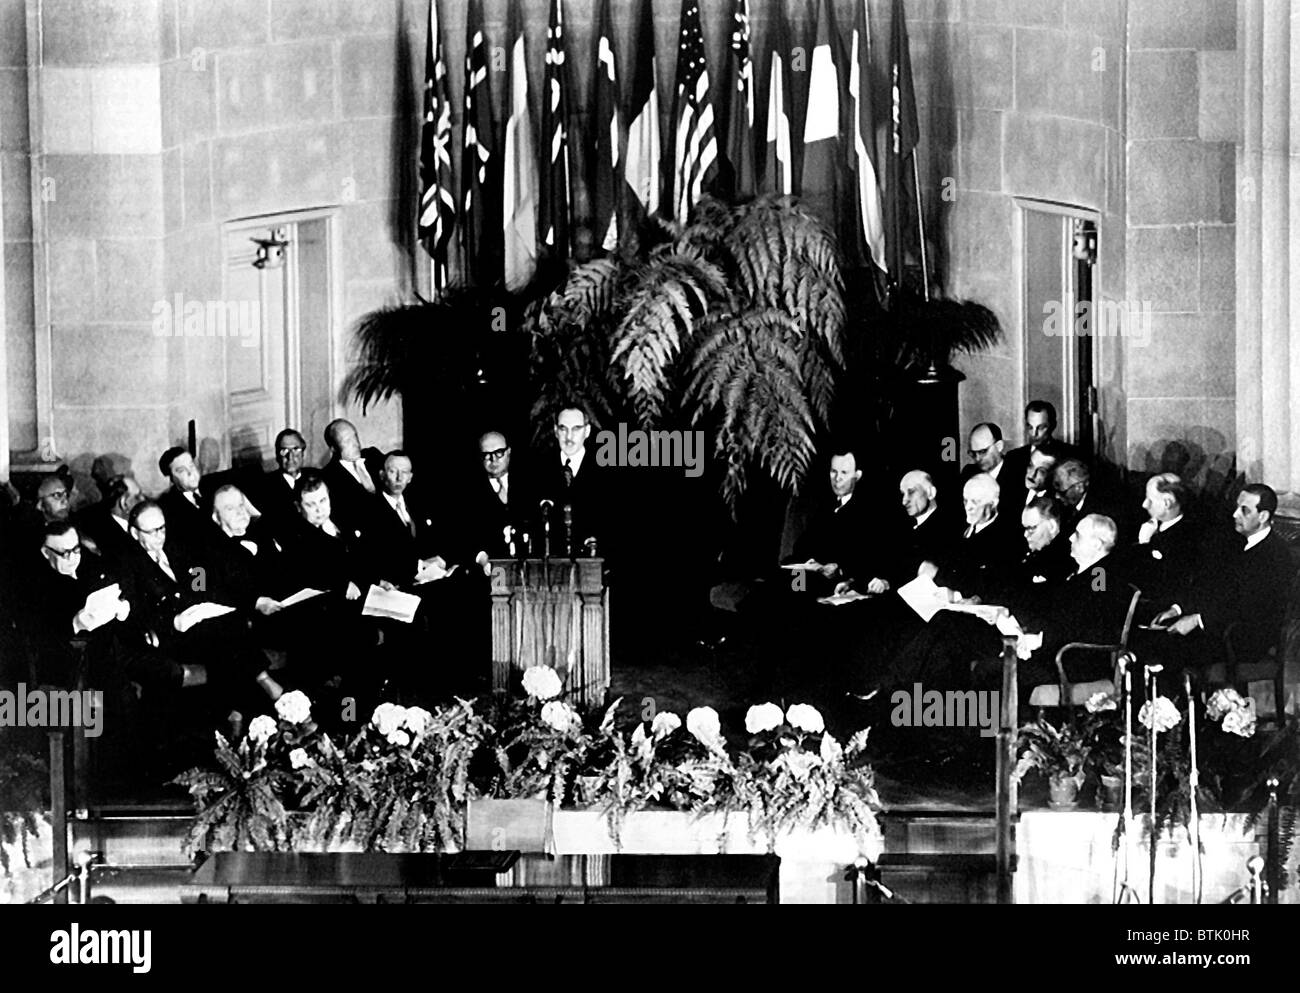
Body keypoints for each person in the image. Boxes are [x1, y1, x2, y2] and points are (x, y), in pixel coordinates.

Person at [1140, 484, 1293, 673]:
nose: (1235, 514)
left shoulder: (1276, 555)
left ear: (1263, 517)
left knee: (1167, 649)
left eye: (1244, 510)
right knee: (1150, 637)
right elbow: (1210, 586)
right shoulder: (1235, 542)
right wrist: (1177, 609)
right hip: (1220, 626)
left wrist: (1197, 620)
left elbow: (1248, 606)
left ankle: (1178, 701)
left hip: (1245, 637)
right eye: (1237, 507)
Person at [539, 405, 609, 555]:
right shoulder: (539, 470)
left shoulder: (606, 470)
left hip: (595, 566)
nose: (569, 437)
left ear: (587, 431)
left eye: (576, 429)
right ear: (556, 431)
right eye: (563, 429)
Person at [321, 419, 385, 534]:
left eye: (355, 436)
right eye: (347, 441)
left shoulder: (374, 456)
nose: (355, 443)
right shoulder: (328, 478)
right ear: (333, 448)